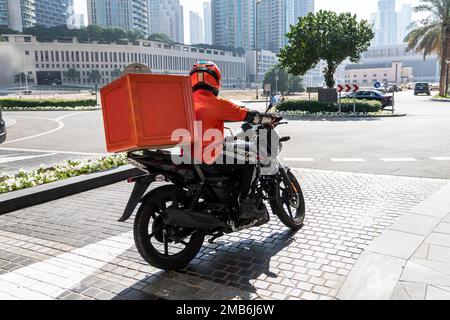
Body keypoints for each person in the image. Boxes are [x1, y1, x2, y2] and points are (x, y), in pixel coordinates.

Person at [189, 61, 279, 221]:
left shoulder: (186, 102)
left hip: (188, 155)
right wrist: (269, 119)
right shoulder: (215, 103)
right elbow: (247, 115)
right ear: (215, 79)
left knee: (236, 149)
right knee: (253, 159)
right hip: (209, 155)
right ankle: (247, 205)